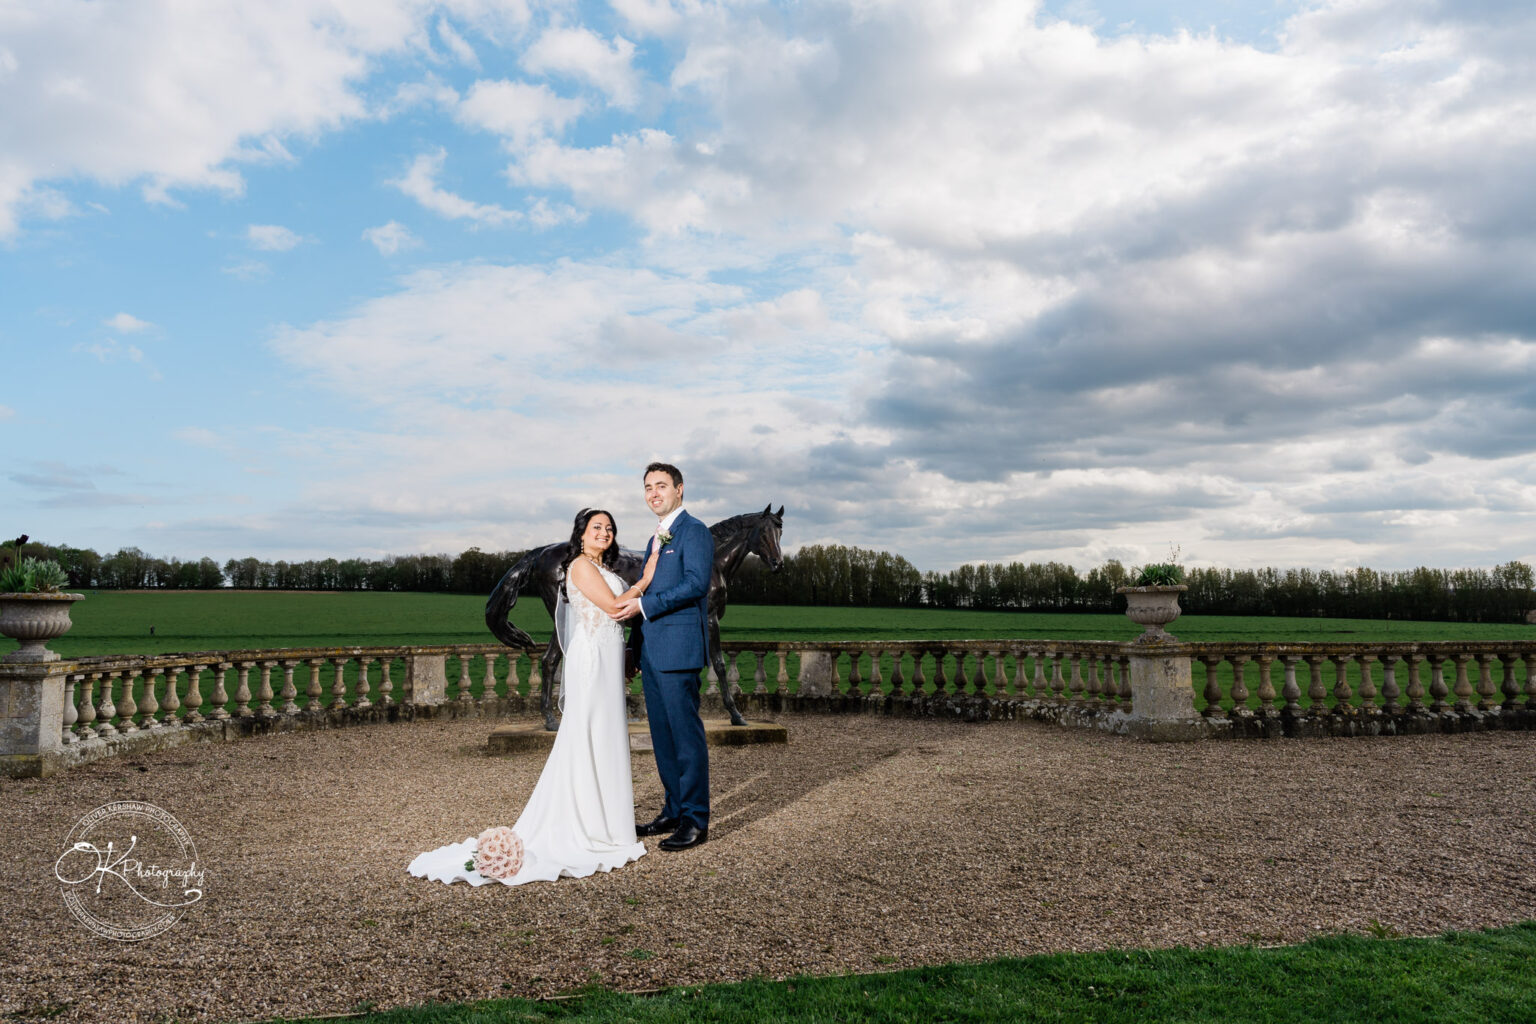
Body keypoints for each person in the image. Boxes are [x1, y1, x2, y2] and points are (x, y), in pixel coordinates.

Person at [407, 508, 658, 886]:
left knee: (605, 735)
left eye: (609, 528)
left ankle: (605, 821)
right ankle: (584, 823)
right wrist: (646, 580)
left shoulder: (603, 568)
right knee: (587, 734)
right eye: (596, 528)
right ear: (581, 534)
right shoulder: (579, 567)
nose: (604, 533)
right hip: (591, 663)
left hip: (607, 660)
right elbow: (613, 609)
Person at [611, 462, 714, 851]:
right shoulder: (656, 538)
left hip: (680, 650)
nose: (654, 493)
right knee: (662, 737)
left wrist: (644, 608)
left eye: (661, 486)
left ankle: (695, 820)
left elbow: (695, 584)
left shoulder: (695, 531)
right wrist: (635, 647)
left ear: (680, 489)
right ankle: (672, 809)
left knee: (686, 737)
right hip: (653, 653)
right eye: (648, 487)